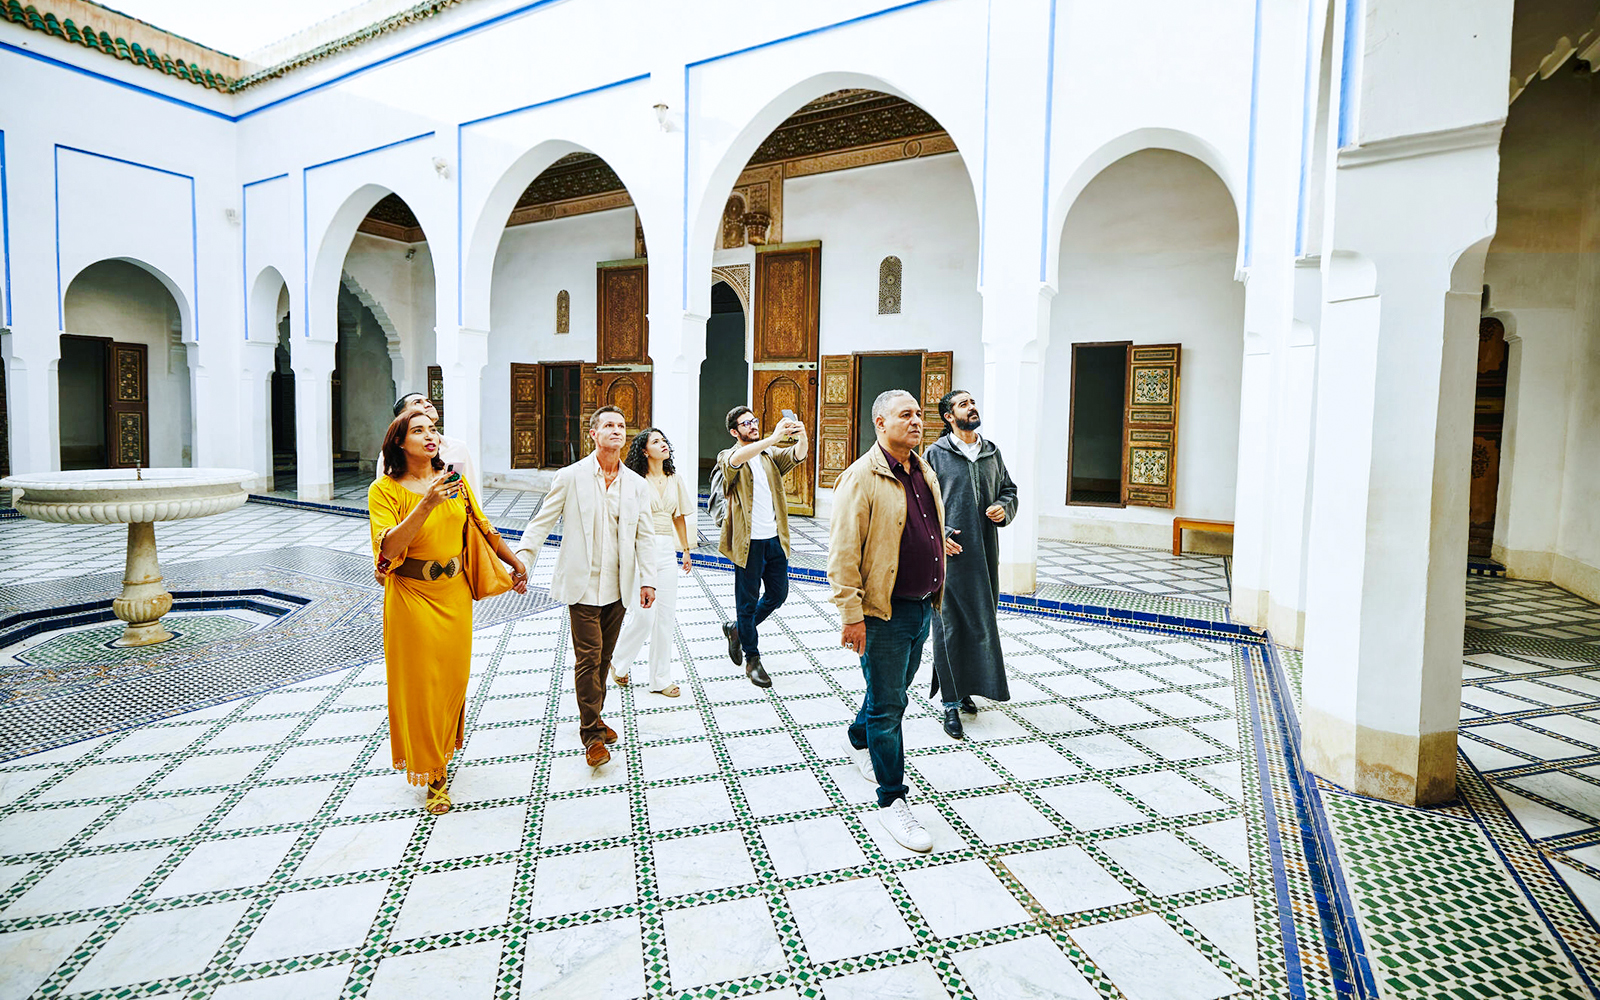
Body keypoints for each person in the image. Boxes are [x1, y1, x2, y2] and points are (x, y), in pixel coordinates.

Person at [369, 410, 527, 815]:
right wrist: (426, 504)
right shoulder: (384, 491)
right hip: (411, 596)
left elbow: (482, 525)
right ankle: (434, 774)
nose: (430, 436)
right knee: (423, 685)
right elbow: (387, 548)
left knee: (453, 680)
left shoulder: (454, 482)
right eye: (418, 431)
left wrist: (514, 562)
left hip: (453, 593)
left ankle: (442, 751)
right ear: (400, 443)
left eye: (433, 430)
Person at [828, 389, 947, 853]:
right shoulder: (861, 477)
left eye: (918, 414)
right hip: (884, 614)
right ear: (880, 423)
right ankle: (892, 800)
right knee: (889, 706)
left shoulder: (922, 469)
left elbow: (918, 526)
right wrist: (851, 616)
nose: (916, 421)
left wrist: (939, 550)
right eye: (906, 415)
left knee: (890, 693)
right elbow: (842, 555)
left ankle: (857, 740)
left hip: (922, 607)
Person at [515, 406, 657, 768]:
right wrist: (523, 560)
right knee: (588, 659)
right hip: (581, 587)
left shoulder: (637, 485)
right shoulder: (571, 477)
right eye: (608, 425)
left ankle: (595, 716)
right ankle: (591, 734)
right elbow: (541, 522)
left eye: (622, 426)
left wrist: (648, 579)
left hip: (619, 587)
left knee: (604, 659)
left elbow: (645, 536)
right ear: (592, 433)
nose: (616, 430)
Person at [925, 390, 1019, 739]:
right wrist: (941, 532)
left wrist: (1003, 508)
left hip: (984, 555)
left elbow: (1010, 490)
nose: (972, 407)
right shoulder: (935, 455)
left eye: (973, 402)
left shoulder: (991, 452)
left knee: (981, 621)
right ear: (949, 417)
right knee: (948, 624)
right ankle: (950, 702)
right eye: (964, 404)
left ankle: (965, 688)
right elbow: (920, 503)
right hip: (949, 556)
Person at [716, 405, 807, 688]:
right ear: (735, 431)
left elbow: (798, 455)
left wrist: (802, 436)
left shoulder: (768, 456)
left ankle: (737, 630)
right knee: (746, 603)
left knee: (778, 595)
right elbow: (736, 459)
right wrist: (772, 437)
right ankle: (752, 659)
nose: (753, 426)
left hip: (775, 540)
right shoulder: (729, 455)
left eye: (754, 421)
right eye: (746, 424)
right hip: (748, 543)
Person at [610, 428, 696, 697]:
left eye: (664, 441)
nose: (663, 445)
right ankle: (618, 662)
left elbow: (679, 516)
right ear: (645, 451)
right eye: (656, 442)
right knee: (645, 617)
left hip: (666, 550)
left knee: (665, 619)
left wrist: (685, 549)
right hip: (640, 551)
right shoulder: (634, 480)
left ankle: (660, 679)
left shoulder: (675, 479)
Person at [376, 392, 479, 498]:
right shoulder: (389, 455)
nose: (428, 404)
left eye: (428, 401)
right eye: (417, 403)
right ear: (402, 416)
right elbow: (384, 496)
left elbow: (472, 492)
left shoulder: (457, 448)